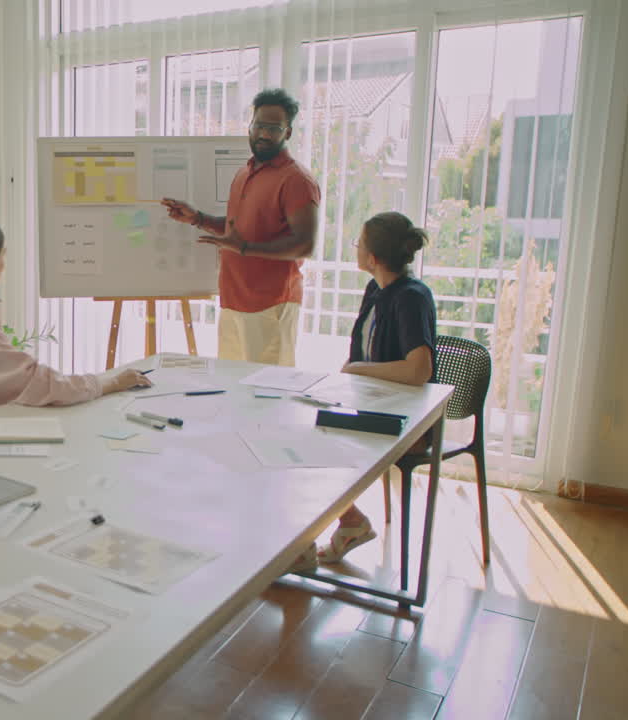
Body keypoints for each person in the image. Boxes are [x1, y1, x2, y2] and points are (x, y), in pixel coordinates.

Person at [298, 211, 438, 571]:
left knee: (309, 444)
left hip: (404, 420)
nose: (356, 249)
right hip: (370, 403)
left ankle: (315, 539)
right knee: (297, 429)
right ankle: (345, 524)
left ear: (373, 258)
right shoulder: (376, 289)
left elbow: (420, 369)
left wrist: (358, 370)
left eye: (359, 244)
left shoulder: (410, 298)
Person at [161, 88, 320, 367]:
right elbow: (239, 231)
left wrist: (245, 249)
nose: (264, 134)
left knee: (267, 395)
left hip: (270, 304)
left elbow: (304, 244)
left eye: (273, 128)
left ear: (289, 132)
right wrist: (197, 218)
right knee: (233, 390)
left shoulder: (296, 179)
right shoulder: (245, 172)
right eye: (259, 125)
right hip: (233, 299)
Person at [0, 218, 150, 414]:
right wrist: (111, 383)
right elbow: (47, 385)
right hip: (8, 423)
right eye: (3, 255)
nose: (4, 263)